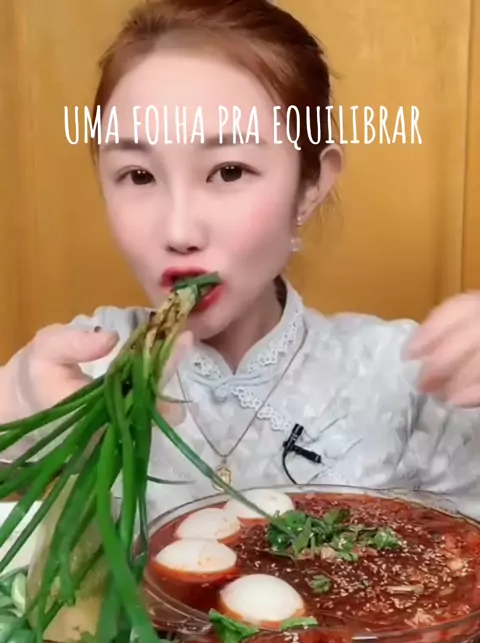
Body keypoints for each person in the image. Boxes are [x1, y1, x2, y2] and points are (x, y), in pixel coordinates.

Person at [1, 0, 480, 524]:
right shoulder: (79, 374)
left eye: (228, 171)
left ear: (311, 184)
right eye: (138, 176)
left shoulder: (403, 381)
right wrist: (12, 422)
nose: (179, 232)